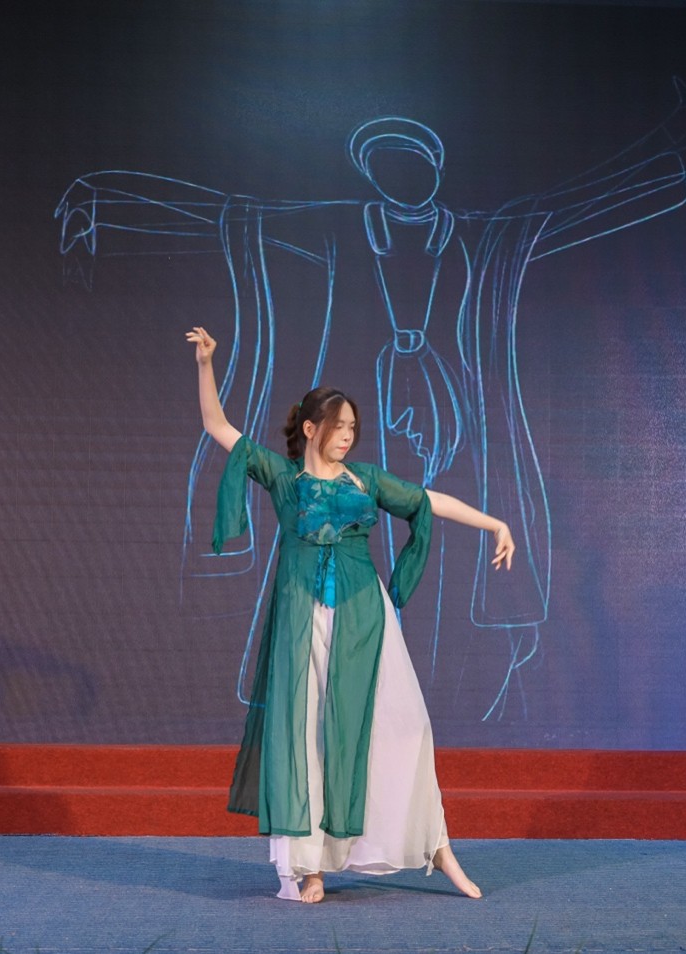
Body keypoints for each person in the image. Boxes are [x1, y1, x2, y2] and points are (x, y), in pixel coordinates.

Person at [187, 326, 515, 903]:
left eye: (353, 428)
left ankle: (437, 847)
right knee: (309, 737)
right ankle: (311, 866)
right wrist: (206, 364)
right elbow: (219, 427)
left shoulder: (366, 480)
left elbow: (427, 500)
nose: (347, 436)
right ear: (310, 428)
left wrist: (494, 523)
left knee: (407, 728)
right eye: (338, 426)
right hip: (304, 621)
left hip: (366, 619)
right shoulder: (285, 477)